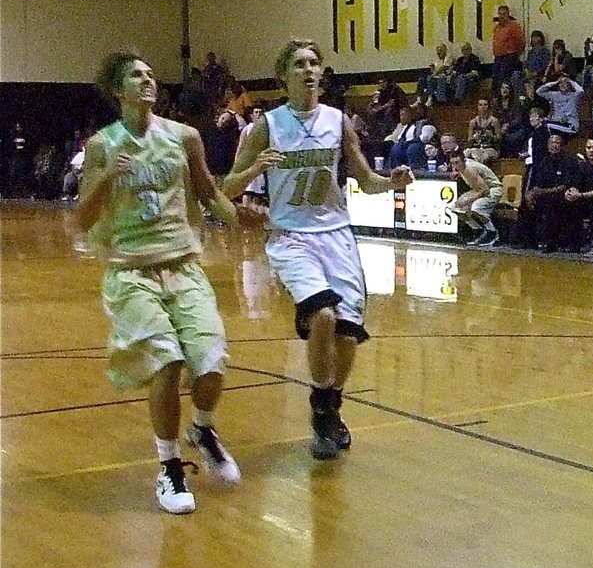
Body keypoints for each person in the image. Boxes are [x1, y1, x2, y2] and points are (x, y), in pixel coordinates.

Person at [223, 39, 412, 460]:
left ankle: (330, 406)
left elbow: (365, 178)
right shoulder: (265, 127)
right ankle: (319, 402)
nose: (309, 70)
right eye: (298, 64)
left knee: (348, 333)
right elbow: (228, 187)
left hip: (337, 234)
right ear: (284, 76)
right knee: (323, 315)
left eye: (314, 63)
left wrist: (392, 181)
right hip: (291, 236)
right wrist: (251, 186)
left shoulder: (338, 121)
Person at [76, 51, 241, 515]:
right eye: (136, 74)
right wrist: (107, 176)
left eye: (150, 73)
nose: (147, 79)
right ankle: (169, 467)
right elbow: (82, 217)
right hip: (131, 271)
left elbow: (208, 191)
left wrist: (238, 215)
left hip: (184, 266)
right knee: (166, 364)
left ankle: (203, 429)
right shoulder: (102, 146)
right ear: (117, 90)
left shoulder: (184, 137)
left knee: (210, 363)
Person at [449, 150, 503, 247]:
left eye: (457, 163)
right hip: (479, 189)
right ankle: (478, 231)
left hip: (493, 189)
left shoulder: (470, 169)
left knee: (476, 208)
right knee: (455, 207)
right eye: (452, 163)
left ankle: (492, 233)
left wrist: (468, 199)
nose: (455, 166)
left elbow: (484, 190)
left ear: (464, 161)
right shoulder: (462, 168)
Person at [491, 2, 526, 96]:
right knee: (495, 78)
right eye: (500, 14)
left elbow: (521, 42)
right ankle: (496, 98)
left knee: (503, 77)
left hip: (509, 57)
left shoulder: (514, 26)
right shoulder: (497, 28)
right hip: (498, 57)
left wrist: (514, 53)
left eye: (504, 14)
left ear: (508, 14)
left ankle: (504, 97)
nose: (502, 16)